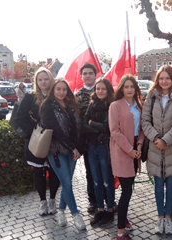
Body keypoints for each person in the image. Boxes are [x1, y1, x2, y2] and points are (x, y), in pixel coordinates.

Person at [142, 65, 172, 235]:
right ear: (157, 80)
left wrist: (166, 139)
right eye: (161, 78)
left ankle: (168, 218)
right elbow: (145, 121)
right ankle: (160, 217)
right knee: (158, 186)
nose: (164, 81)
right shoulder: (151, 98)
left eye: (167, 78)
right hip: (155, 149)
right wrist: (155, 138)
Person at [40, 78, 85, 230]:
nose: (61, 92)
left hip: (73, 151)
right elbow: (57, 132)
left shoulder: (70, 105)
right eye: (58, 89)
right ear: (53, 90)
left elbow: (77, 129)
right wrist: (73, 148)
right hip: (56, 151)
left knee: (67, 184)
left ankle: (60, 211)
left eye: (64, 89)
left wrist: (78, 148)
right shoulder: (47, 106)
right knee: (66, 183)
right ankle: (76, 214)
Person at [15, 67, 59, 216]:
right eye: (40, 79)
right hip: (37, 143)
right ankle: (43, 202)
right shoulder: (30, 97)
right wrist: (34, 132)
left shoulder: (56, 95)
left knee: (54, 173)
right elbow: (19, 118)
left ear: (50, 79)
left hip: (54, 141)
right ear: (36, 81)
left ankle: (53, 200)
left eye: (46, 79)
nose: (43, 82)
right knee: (39, 173)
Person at [109, 75, 145, 240]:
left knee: (128, 189)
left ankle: (123, 218)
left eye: (132, 87)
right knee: (127, 191)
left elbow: (142, 128)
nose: (129, 89)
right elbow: (115, 131)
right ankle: (120, 231)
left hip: (135, 150)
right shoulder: (115, 105)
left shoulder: (138, 105)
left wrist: (139, 144)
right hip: (122, 150)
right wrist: (129, 149)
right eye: (126, 86)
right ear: (121, 88)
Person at [82, 78, 116, 226]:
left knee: (107, 180)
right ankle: (100, 209)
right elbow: (83, 123)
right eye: (98, 89)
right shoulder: (92, 105)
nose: (100, 91)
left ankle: (110, 209)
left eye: (103, 89)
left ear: (108, 90)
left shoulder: (111, 106)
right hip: (92, 146)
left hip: (104, 147)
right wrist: (96, 127)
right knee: (96, 180)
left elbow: (108, 127)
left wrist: (92, 124)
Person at [75, 62, 99, 212]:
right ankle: (93, 200)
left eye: (90, 73)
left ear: (95, 75)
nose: (88, 76)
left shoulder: (103, 90)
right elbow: (77, 120)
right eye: (85, 73)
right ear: (81, 76)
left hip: (104, 139)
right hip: (87, 140)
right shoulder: (77, 96)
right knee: (90, 171)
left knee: (105, 170)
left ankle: (106, 198)